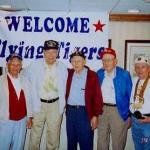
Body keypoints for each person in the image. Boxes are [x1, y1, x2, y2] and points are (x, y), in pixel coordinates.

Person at [24, 40, 68, 150]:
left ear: (57, 52)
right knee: (35, 136)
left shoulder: (62, 67)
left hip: (55, 105)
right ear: (43, 52)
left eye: (54, 52)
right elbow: (24, 80)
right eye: (48, 52)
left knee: (53, 138)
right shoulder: (34, 65)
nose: (51, 55)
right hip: (38, 104)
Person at [65, 50, 103, 150]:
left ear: (84, 61)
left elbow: (97, 96)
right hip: (70, 113)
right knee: (71, 143)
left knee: (86, 144)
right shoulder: (68, 74)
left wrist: (95, 115)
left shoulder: (92, 75)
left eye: (79, 61)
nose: (76, 63)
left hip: (86, 113)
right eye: (73, 61)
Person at [97, 48, 132, 150]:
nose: (106, 62)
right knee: (101, 141)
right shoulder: (99, 73)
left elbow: (130, 96)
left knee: (118, 143)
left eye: (109, 60)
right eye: (104, 60)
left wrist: (129, 115)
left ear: (115, 61)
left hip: (118, 111)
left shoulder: (124, 74)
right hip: (102, 110)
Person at [0, 53, 33, 150]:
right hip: (5, 121)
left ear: (21, 66)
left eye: (18, 65)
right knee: (3, 146)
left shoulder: (25, 81)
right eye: (13, 64)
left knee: (18, 147)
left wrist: (29, 117)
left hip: (22, 121)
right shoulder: (1, 81)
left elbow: (29, 100)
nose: (15, 67)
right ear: (7, 65)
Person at [130, 56, 150, 150]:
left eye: (143, 67)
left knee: (146, 147)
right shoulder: (134, 80)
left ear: (148, 68)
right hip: (135, 120)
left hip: (147, 122)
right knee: (138, 146)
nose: (140, 70)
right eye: (137, 67)